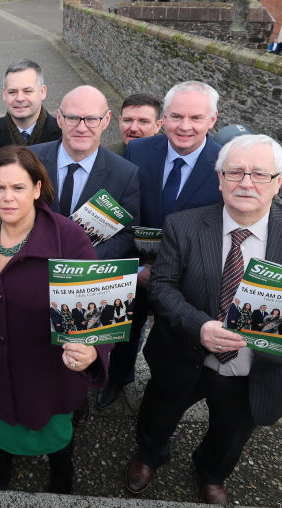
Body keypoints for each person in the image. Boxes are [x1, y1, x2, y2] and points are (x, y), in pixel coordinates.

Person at [124, 134, 282, 504]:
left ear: (280, 181)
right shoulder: (183, 225)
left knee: (232, 432)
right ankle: (149, 455)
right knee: (158, 413)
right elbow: (162, 287)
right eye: (235, 172)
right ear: (219, 178)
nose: (246, 182)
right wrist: (199, 326)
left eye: (259, 174)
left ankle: (211, 473)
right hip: (184, 354)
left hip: (257, 367)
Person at [0, 146, 111, 494]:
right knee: (1, 421)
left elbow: (97, 311)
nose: (7, 197)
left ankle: (61, 468)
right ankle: (3, 455)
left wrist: (93, 352)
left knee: (55, 433)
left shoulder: (69, 239)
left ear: (36, 188)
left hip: (48, 369)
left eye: (18, 188)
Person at [100, 81, 224, 410]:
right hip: (137, 272)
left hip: (186, 283)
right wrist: (137, 268)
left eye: (196, 118)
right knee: (124, 331)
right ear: (164, 118)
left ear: (213, 120)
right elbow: (123, 212)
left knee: (174, 349)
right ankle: (118, 379)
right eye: (176, 116)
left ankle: (161, 401)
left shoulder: (226, 167)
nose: (185, 126)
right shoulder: (139, 151)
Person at [28, 85, 141, 260]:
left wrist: (82, 257)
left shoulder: (125, 174)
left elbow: (126, 236)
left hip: (86, 278)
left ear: (106, 120)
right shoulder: (29, 159)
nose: (82, 128)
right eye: (72, 118)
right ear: (59, 118)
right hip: (32, 267)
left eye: (91, 119)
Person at [0, 60, 62, 171]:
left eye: (27, 91)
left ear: (42, 92)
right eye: (12, 92)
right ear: (4, 94)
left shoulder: (63, 133)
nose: (19, 98)